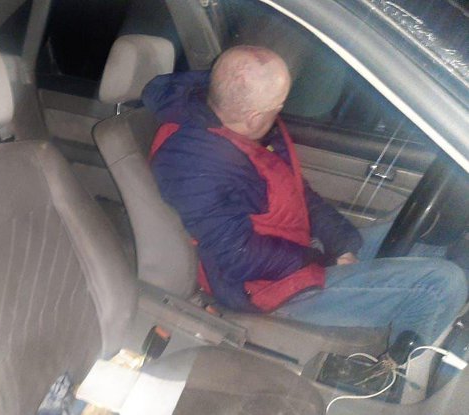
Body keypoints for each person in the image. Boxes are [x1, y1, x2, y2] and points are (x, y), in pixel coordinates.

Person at [144, 45, 466, 345]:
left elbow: (299, 193)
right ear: (255, 116)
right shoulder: (193, 161)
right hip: (267, 290)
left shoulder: (245, 127)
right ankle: (393, 374)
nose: (281, 111)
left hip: (298, 252)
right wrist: (320, 260)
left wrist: (341, 243)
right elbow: (237, 256)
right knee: (441, 285)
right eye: (278, 106)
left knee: (426, 239)